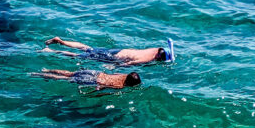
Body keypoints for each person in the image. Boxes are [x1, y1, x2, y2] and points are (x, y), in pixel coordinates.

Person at [41, 36, 175, 65]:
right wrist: (115, 67)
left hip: (118, 50)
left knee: (87, 48)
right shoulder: (149, 58)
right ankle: (51, 52)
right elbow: (129, 64)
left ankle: (61, 41)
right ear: (159, 57)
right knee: (80, 56)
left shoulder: (155, 49)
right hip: (115, 57)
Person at [31, 68, 141, 90]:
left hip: (95, 72)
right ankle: (37, 74)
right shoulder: (120, 86)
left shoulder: (124, 74)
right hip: (93, 80)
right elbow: (102, 87)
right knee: (64, 79)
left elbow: (114, 72)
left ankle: (46, 70)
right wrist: (95, 92)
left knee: (69, 73)